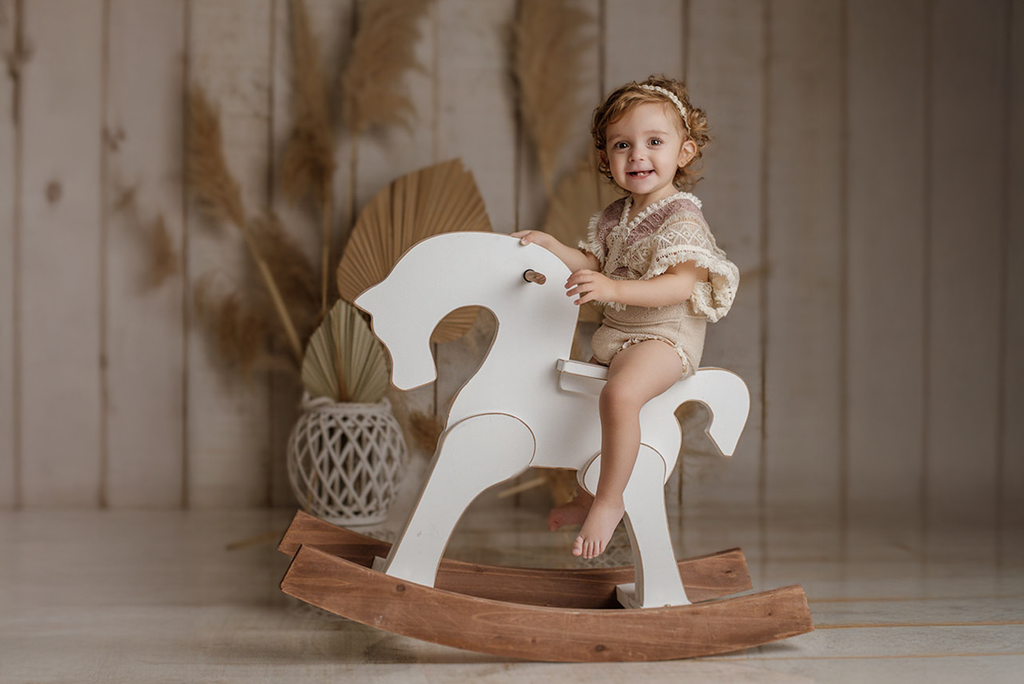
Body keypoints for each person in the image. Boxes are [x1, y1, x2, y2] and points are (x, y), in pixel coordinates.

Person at [511, 76, 739, 559]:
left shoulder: (682, 218)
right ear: (605, 158)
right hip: (620, 335)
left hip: (665, 336)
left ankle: (609, 501)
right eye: (622, 145)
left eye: (654, 142)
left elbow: (679, 285)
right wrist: (553, 248)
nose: (638, 155)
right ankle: (586, 494)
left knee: (620, 396)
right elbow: (592, 262)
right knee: (581, 404)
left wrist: (613, 289)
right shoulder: (617, 216)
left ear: (684, 152)